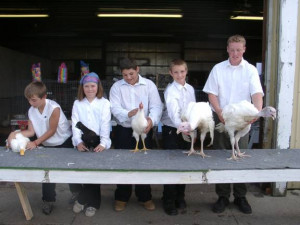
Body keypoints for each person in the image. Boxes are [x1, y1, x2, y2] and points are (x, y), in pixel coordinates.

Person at [203, 34, 264, 214]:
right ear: (227, 49)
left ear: (244, 49)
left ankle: (240, 196)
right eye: (232, 49)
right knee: (222, 156)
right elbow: (211, 94)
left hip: (242, 120)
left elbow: (257, 93)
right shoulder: (218, 69)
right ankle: (222, 196)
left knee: (240, 156)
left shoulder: (250, 70)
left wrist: (257, 112)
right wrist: (219, 112)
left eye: (239, 49)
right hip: (223, 117)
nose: (235, 53)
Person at [7, 81, 72, 215]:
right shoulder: (31, 110)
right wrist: (14, 134)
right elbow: (31, 132)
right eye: (29, 100)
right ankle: (48, 201)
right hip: (47, 144)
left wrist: (35, 143)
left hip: (63, 141)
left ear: (43, 97)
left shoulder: (54, 108)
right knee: (46, 172)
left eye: (33, 100)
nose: (31, 103)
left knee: (69, 170)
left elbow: (52, 130)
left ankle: (77, 194)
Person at [109, 57, 163, 212]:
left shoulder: (149, 85)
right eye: (125, 75)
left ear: (137, 69)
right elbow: (114, 108)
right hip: (124, 130)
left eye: (131, 74)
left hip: (143, 129)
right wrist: (128, 113)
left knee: (144, 163)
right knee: (123, 163)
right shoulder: (116, 87)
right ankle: (121, 197)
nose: (128, 78)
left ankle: (145, 197)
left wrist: (151, 121)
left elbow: (156, 106)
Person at [71, 72, 111, 217]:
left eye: (92, 86)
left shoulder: (104, 103)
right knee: (83, 173)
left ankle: (88, 202)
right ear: (82, 88)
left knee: (95, 173)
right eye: (86, 86)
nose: (89, 89)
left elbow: (105, 124)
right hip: (83, 142)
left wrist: (104, 143)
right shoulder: (77, 103)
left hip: (99, 141)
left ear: (98, 86)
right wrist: (78, 142)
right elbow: (75, 125)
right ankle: (88, 200)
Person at [160, 59, 196, 216]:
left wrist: (192, 126)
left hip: (187, 130)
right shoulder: (170, 91)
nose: (179, 75)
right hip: (172, 130)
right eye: (176, 72)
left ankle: (180, 196)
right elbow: (174, 114)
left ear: (186, 71)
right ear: (170, 73)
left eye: (182, 71)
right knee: (171, 166)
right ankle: (168, 199)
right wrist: (182, 128)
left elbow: (192, 109)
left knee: (184, 164)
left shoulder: (190, 89)